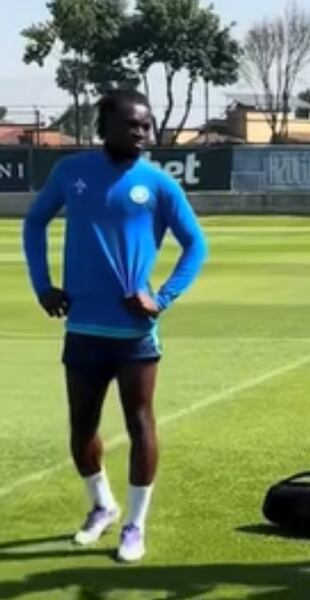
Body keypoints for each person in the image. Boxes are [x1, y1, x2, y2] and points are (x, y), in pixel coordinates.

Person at [22, 89, 208, 563]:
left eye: (146, 125)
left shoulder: (159, 184)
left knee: (140, 423)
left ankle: (134, 526)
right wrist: (44, 285)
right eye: (133, 124)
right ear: (105, 127)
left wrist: (161, 298)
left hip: (135, 336)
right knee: (81, 427)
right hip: (82, 327)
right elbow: (34, 223)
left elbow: (196, 247)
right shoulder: (71, 172)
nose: (143, 132)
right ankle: (101, 506)